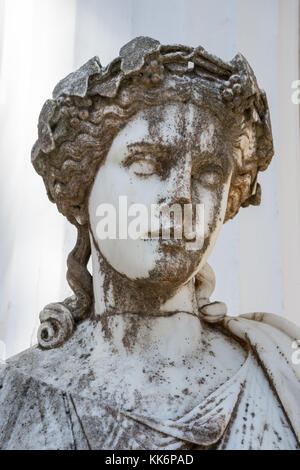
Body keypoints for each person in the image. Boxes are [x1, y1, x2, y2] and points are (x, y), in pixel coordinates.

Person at [0, 37, 299, 450]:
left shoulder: (285, 375)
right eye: (146, 164)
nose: (182, 197)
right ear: (83, 190)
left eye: (209, 173)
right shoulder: (12, 399)